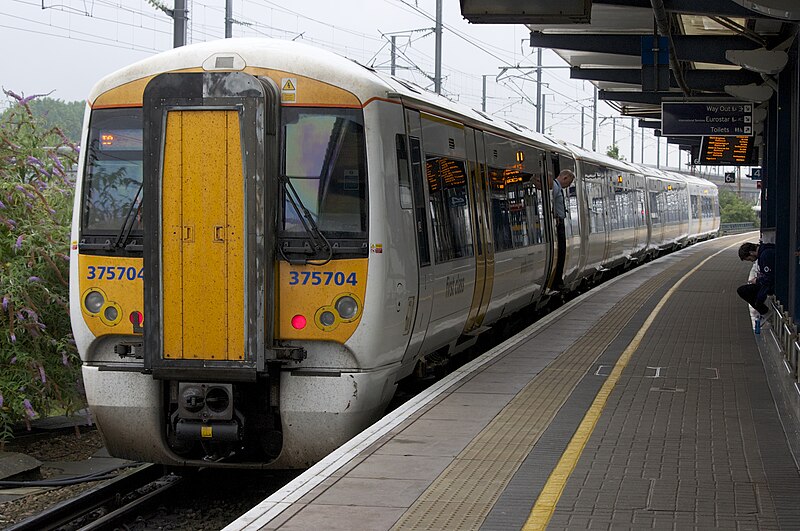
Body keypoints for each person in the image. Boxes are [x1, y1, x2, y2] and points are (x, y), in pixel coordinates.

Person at [736, 241, 775, 317]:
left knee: (744, 291)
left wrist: (757, 280)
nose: (751, 261)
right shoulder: (765, 251)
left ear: (751, 253)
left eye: (749, 259)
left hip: (772, 285)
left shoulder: (765, 255)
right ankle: (764, 311)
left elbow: (769, 278)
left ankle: (766, 313)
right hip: (770, 283)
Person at [552, 169, 575, 291]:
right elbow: (551, 203)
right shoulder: (555, 187)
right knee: (561, 253)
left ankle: (558, 280)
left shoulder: (556, 187)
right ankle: (557, 282)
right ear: (565, 178)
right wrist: (555, 217)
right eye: (569, 182)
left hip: (560, 222)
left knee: (562, 253)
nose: (569, 186)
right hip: (558, 224)